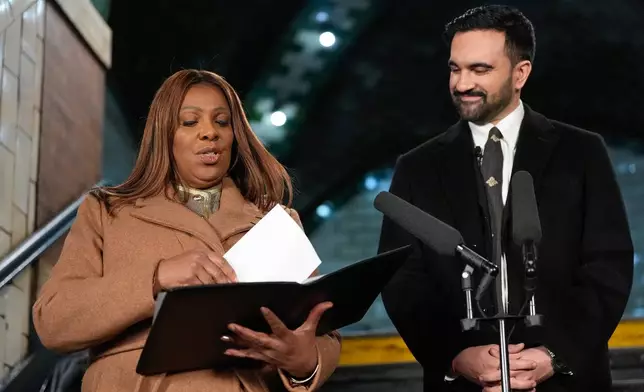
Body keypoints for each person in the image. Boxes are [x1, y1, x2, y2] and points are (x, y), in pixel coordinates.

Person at [33, 69, 341, 392]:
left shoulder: (277, 223)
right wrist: (156, 277)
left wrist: (305, 363)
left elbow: (323, 330)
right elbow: (53, 320)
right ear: (164, 134)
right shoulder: (107, 212)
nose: (210, 133)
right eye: (190, 122)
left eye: (222, 121)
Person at [379, 5, 633, 392]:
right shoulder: (417, 167)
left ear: (520, 73)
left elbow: (608, 267)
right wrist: (455, 355)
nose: (462, 83)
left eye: (480, 70)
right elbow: (402, 281)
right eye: (454, 68)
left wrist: (552, 354)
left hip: (567, 381)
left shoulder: (581, 153)